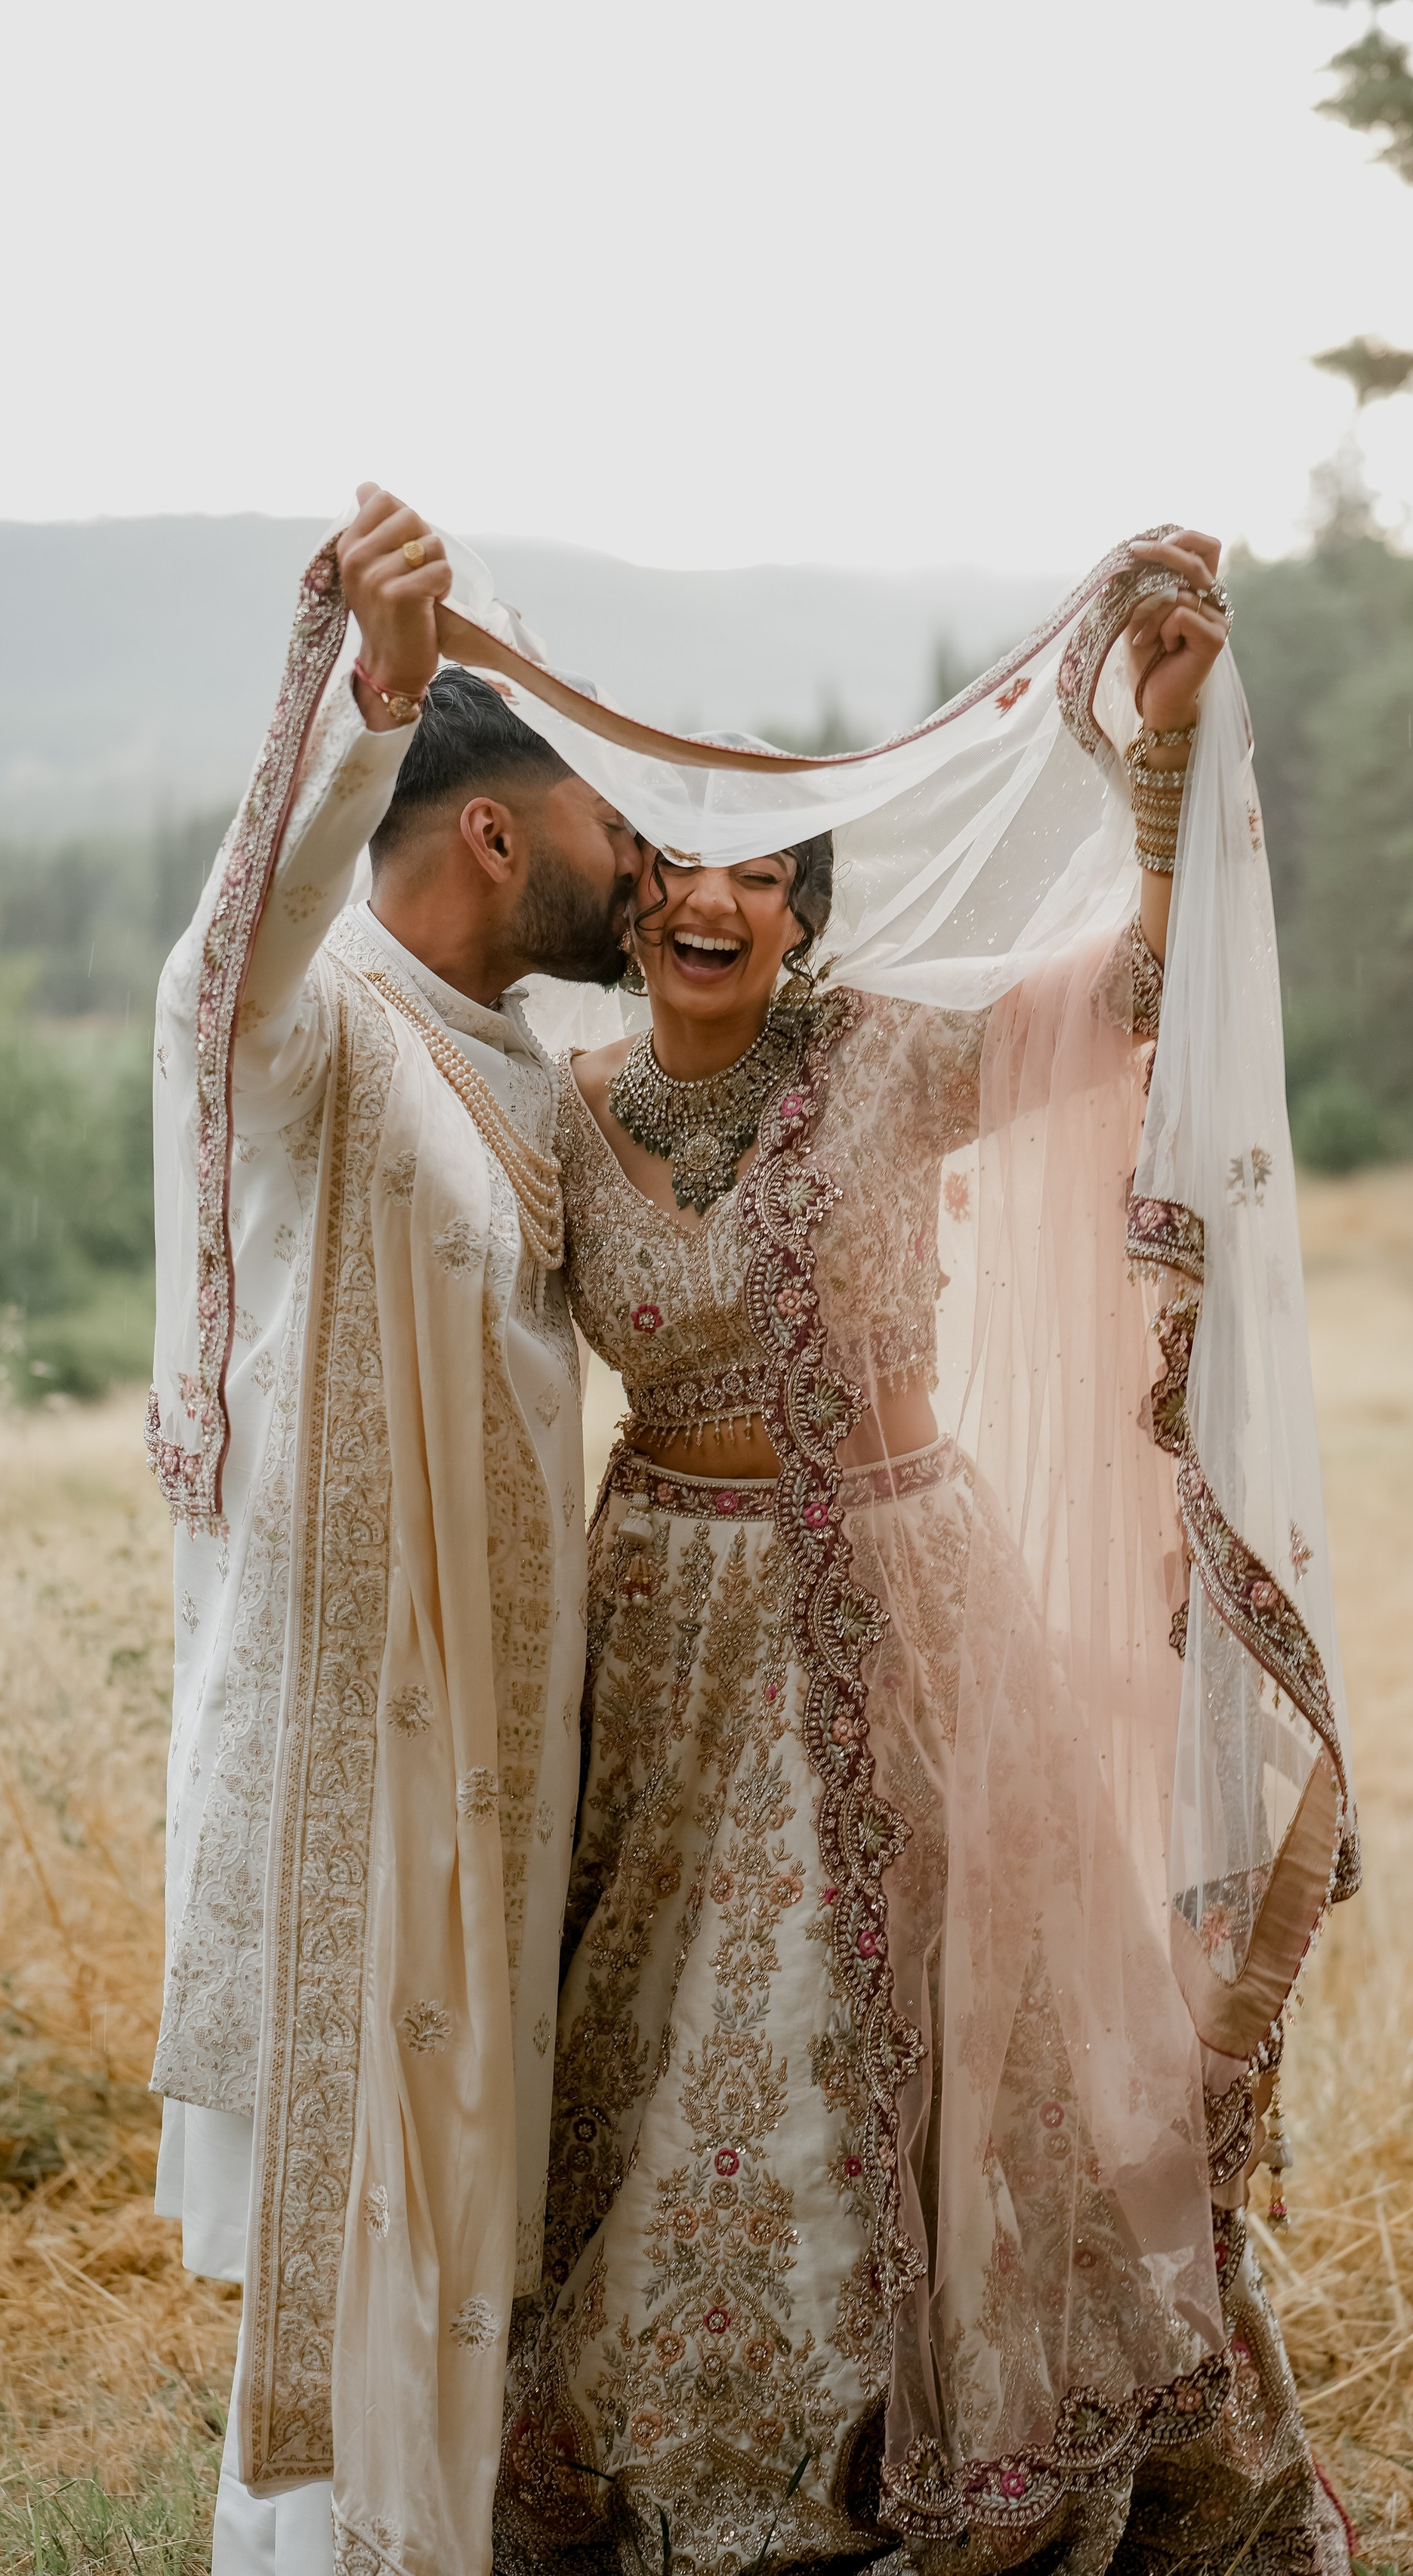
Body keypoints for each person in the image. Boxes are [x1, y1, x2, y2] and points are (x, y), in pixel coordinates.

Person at [453, 530, 1360, 2576]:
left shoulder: (884, 1061)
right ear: (632, 897)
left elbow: (1135, 987)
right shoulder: (559, 1118)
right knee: (682, 2034)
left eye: (762, 870)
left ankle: (988, 2441)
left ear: (804, 908)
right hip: (668, 1627)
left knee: (983, 2041)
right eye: (681, 861)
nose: (713, 895)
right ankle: (703, 2455)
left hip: (910, 1597)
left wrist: (1170, 763)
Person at [149, 486, 643, 2576]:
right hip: (352, 1789)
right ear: (497, 835)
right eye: (612, 823)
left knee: (462, 2273)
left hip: (503, 1790)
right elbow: (210, 972)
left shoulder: (530, 1075)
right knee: (354, 2290)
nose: (644, 867)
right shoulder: (317, 1031)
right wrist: (370, 691)